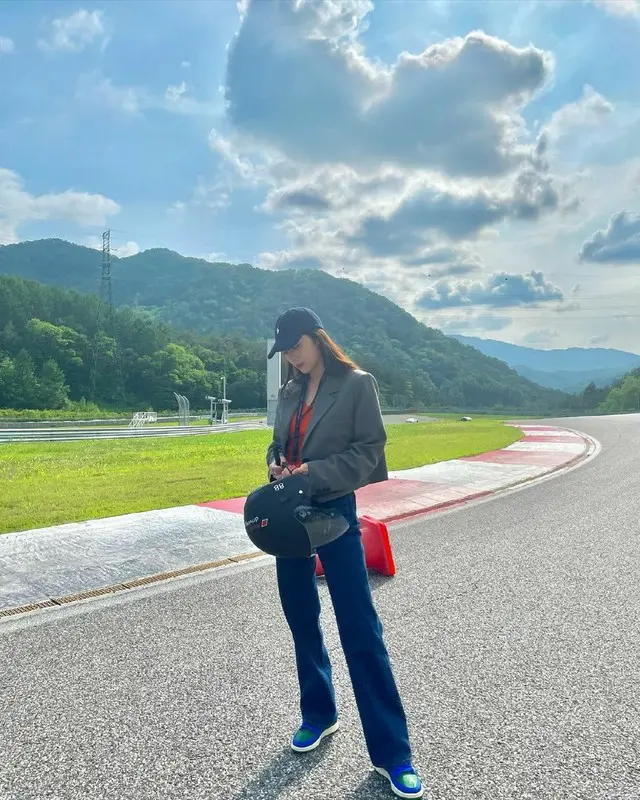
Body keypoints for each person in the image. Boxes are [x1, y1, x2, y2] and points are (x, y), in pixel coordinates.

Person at [266, 307, 424, 799]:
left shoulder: (357, 384)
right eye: (285, 350)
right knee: (300, 616)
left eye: (296, 345)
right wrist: (276, 464)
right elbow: (276, 444)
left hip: (335, 511)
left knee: (359, 626)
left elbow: (370, 450)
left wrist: (312, 473)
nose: (292, 356)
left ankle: (393, 753)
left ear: (318, 337)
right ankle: (319, 713)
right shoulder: (289, 391)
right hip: (289, 515)